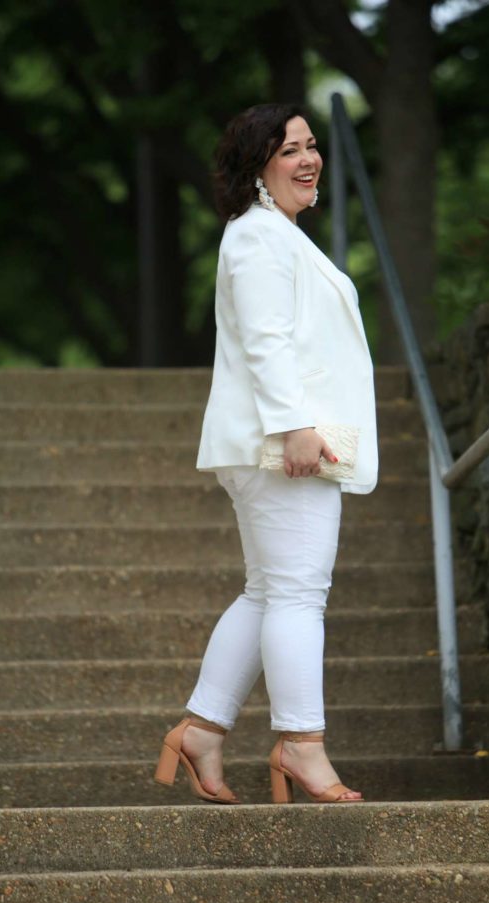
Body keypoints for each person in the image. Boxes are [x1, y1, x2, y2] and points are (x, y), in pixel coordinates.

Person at [154, 103, 378, 804]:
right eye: (290, 150)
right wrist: (294, 425)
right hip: (277, 444)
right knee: (298, 595)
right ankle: (302, 744)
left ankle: (201, 731)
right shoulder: (256, 238)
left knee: (269, 590)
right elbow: (265, 340)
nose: (309, 159)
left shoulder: (276, 235)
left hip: (271, 443)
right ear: (258, 166)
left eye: (313, 146)